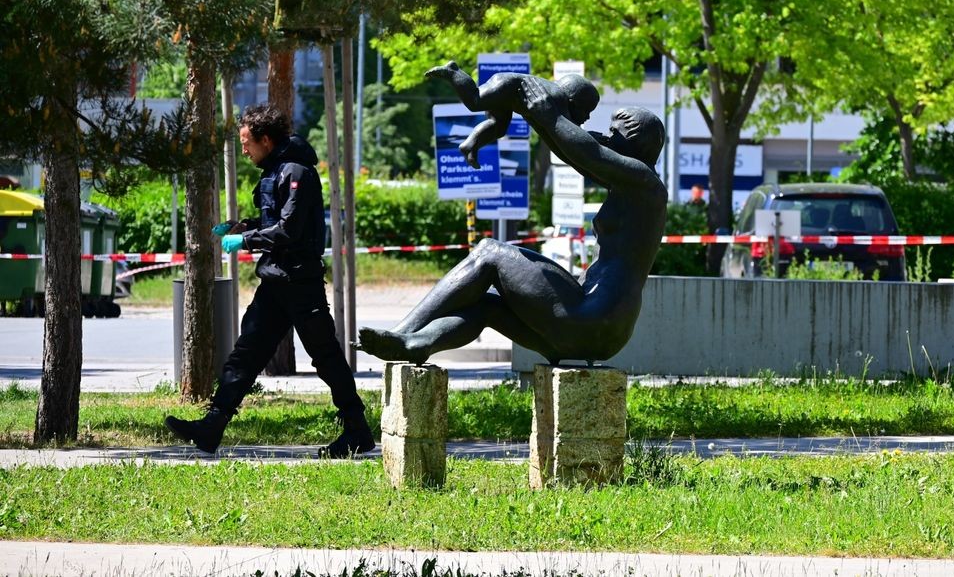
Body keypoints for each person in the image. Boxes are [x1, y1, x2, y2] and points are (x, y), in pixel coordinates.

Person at [358, 78, 666, 365]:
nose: (607, 135)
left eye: (616, 133)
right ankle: (417, 343)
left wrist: (548, 115)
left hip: (592, 317)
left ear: (637, 144)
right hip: (596, 326)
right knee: (489, 306)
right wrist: (534, 111)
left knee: (489, 252)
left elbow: (590, 152)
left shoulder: (644, 182)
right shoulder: (629, 185)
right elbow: (575, 153)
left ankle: (403, 329)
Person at [165, 105, 374, 457]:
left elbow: (290, 229)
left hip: (300, 282)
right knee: (246, 353)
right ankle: (212, 426)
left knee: (325, 355)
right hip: (276, 282)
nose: (243, 149)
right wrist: (243, 226)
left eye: (247, 142)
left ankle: (357, 430)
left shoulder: (297, 172)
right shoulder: (275, 171)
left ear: (265, 139)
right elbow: (273, 221)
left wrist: (245, 242)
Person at [425, 60, 600, 169]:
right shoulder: (558, 99)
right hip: (507, 85)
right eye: (587, 110)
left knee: (499, 127)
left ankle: (470, 145)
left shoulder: (558, 99)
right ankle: (454, 71)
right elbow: (569, 137)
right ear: (573, 100)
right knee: (475, 101)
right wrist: (596, 141)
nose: (587, 117)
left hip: (510, 98)